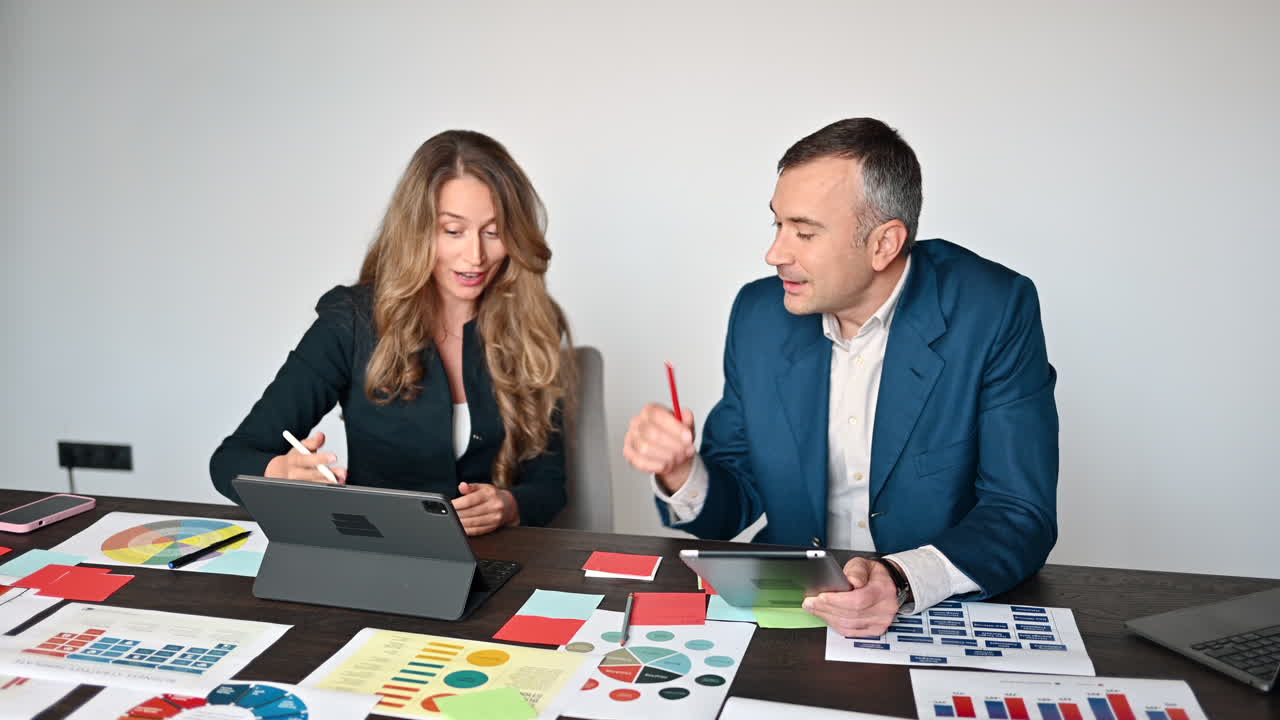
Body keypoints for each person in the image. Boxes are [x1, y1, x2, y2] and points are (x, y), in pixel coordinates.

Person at [623, 118, 1058, 636]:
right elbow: (730, 508)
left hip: (934, 610)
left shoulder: (993, 309)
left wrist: (899, 579)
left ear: (884, 244)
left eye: (804, 232)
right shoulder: (759, 315)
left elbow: (1019, 512)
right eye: (777, 225)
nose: (775, 254)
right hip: (794, 612)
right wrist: (680, 471)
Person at [211, 130, 575, 535]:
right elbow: (230, 460)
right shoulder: (351, 323)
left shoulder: (533, 326)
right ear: (417, 231)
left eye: (493, 232)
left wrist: (508, 505)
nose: (475, 255)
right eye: (453, 231)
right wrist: (278, 473)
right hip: (383, 561)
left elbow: (550, 486)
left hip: (499, 563)